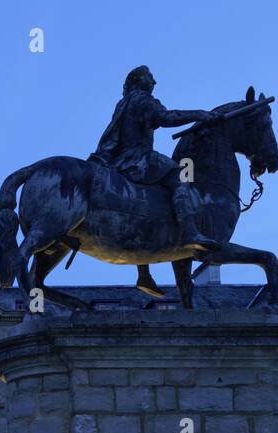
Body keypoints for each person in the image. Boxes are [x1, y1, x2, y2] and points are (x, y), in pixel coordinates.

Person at [91, 65, 223, 297]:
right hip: (139, 159)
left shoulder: (123, 103)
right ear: (138, 80)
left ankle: (144, 274)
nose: (155, 82)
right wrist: (200, 114)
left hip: (119, 163)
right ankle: (191, 233)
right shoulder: (142, 99)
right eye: (151, 78)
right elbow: (166, 117)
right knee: (181, 178)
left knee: (146, 206)